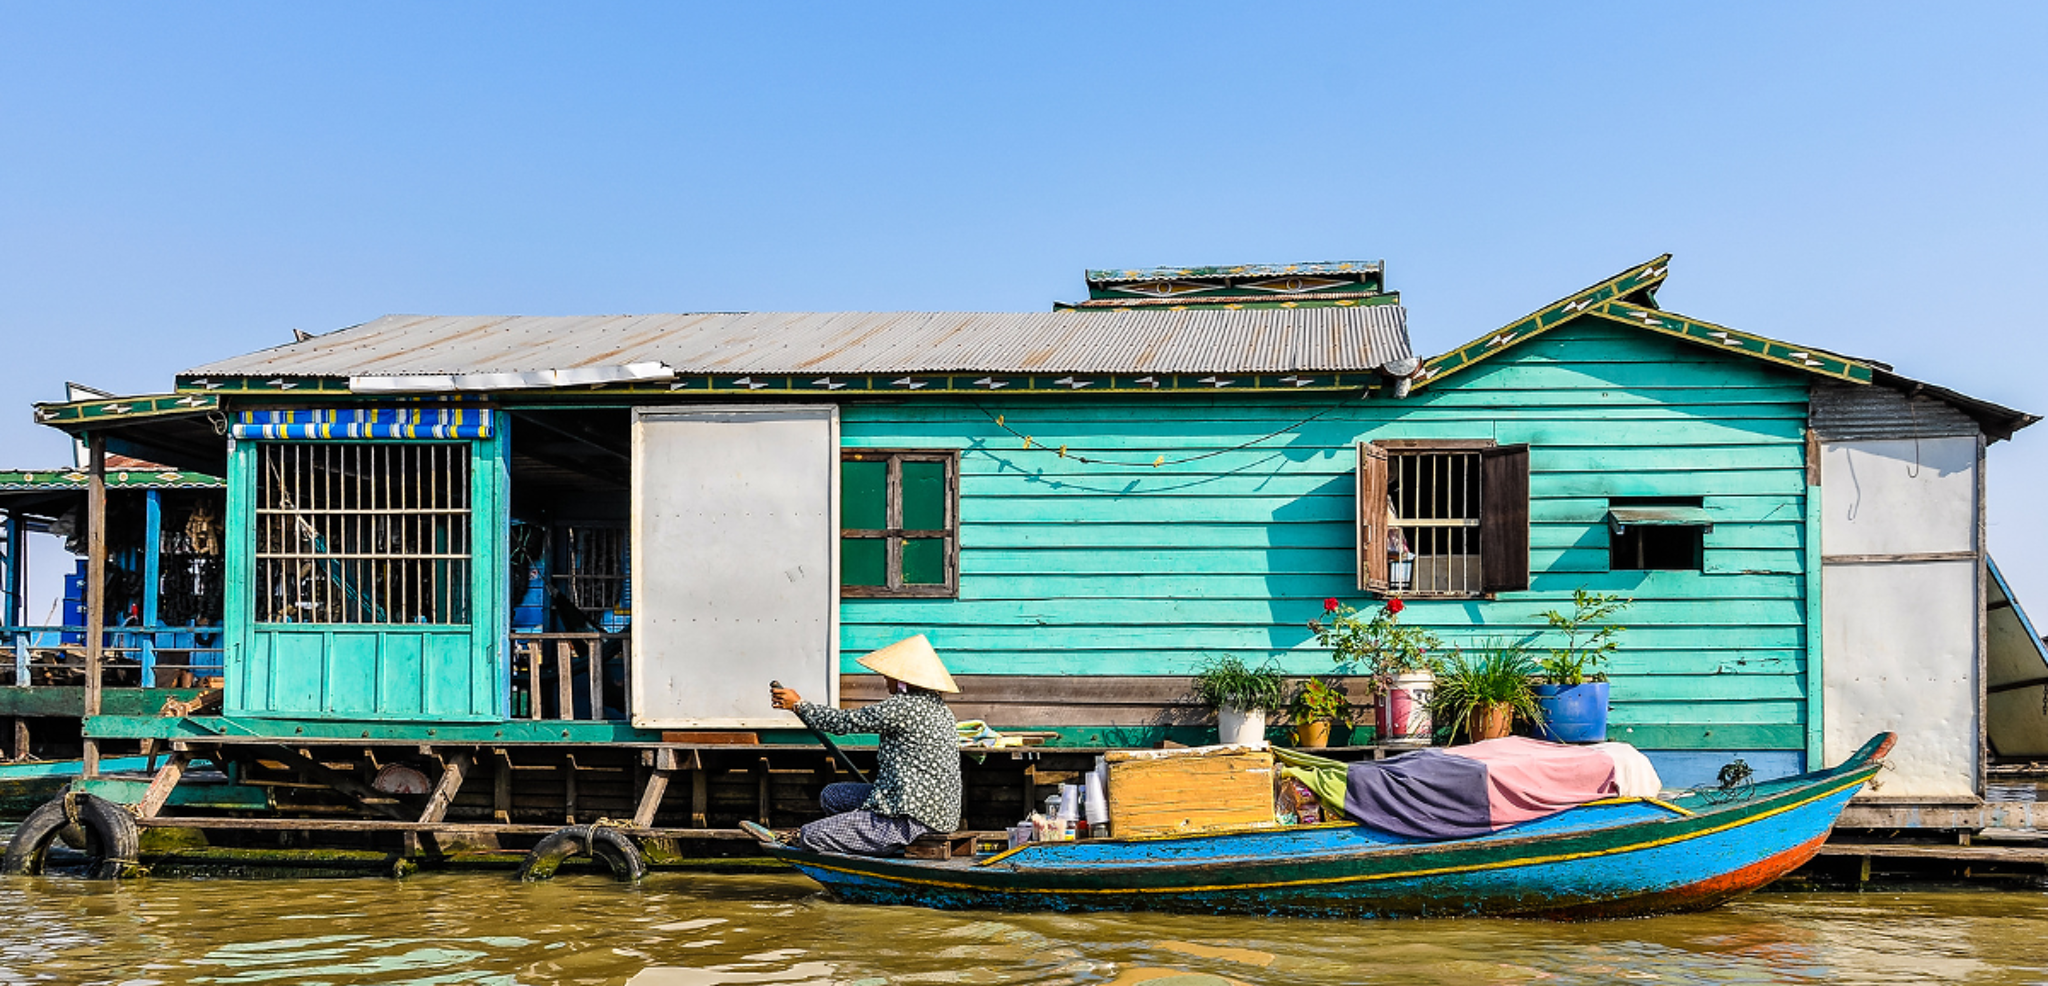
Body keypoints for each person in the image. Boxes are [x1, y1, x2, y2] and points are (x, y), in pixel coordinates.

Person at [748, 634, 962, 856]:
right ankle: (861, 838)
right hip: (925, 807)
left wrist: (799, 705)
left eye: (889, 675)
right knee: (832, 795)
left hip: (909, 817)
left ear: (902, 680)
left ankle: (881, 840)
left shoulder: (904, 707)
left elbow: (843, 722)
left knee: (810, 836)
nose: (884, 678)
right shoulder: (942, 710)